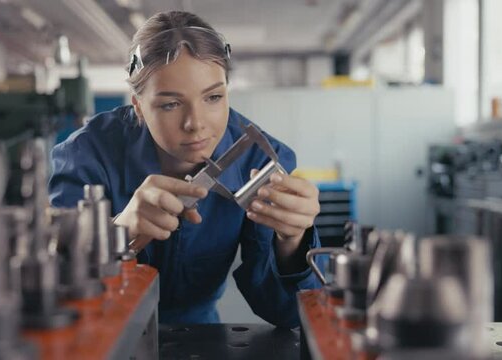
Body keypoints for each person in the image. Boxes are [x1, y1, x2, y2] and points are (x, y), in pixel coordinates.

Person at [49, 10, 323, 328]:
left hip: (200, 329)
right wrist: (115, 234)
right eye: (170, 104)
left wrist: (292, 242)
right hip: (104, 329)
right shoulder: (86, 155)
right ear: (138, 105)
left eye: (213, 97)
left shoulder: (259, 159)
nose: (195, 124)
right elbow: (54, 287)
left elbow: (286, 313)